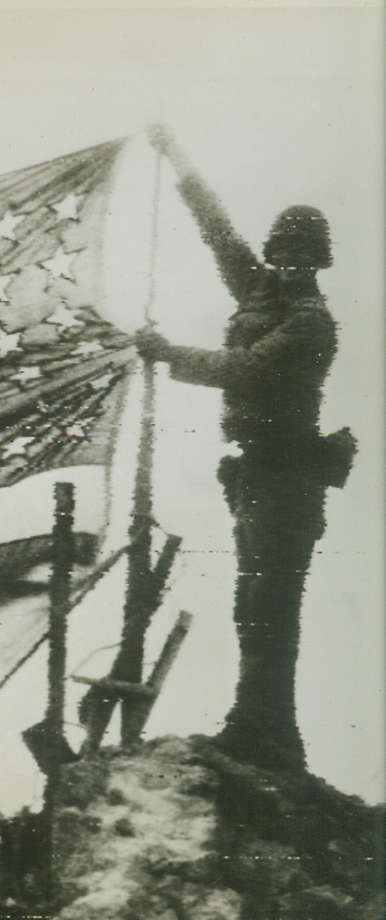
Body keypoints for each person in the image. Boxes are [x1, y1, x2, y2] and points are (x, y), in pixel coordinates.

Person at [135, 125, 354, 773]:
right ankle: (262, 727)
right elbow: (218, 231)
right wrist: (177, 157)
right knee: (251, 602)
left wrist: (168, 353)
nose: (290, 267)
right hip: (256, 473)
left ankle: (267, 730)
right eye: (283, 256)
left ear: (318, 264)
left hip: (290, 476)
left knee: (270, 605)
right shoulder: (262, 292)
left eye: (302, 260)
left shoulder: (310, 322)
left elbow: (249, 369)